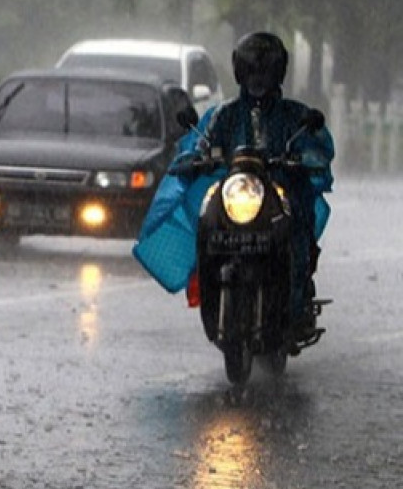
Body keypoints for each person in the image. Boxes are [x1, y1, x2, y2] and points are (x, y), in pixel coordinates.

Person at [134, 31, 334, 338]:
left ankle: (296, 299)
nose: (258, 77)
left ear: (278, 71)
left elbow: (317, 146)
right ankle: (207, 287)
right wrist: (195, 159)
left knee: (297, 228)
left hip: (279, 193)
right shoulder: (223, 114)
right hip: (238, 192)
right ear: (239, 71)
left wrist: (304, 158)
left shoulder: (295, 115)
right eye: (251, 69)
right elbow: (200, 145)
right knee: (208, 220)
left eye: (264, 69)